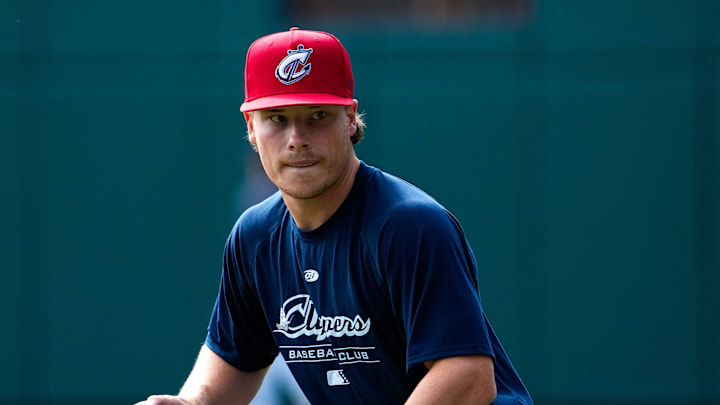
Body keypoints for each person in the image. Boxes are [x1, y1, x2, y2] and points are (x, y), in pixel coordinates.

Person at [136, 28, 533, 405]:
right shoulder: (254, 237)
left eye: (318, 115)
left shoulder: (409, 224)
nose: (297, 138)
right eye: (277, 118)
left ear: (349, 118)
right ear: (251, 127)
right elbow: (234, 363)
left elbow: (468, 377)